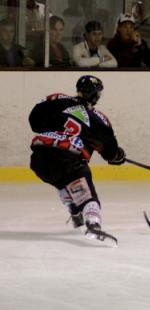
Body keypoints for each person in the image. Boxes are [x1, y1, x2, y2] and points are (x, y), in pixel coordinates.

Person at [28, 75, 125, 243]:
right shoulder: (99, 119)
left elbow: (34, 121)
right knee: (86, 195)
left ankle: (74, 212)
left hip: (40, 157)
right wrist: (117, 155)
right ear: (97, 95)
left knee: (60, 182)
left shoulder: (57, 98)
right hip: (69, 158)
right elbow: (109, 151)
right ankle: (93, 224)